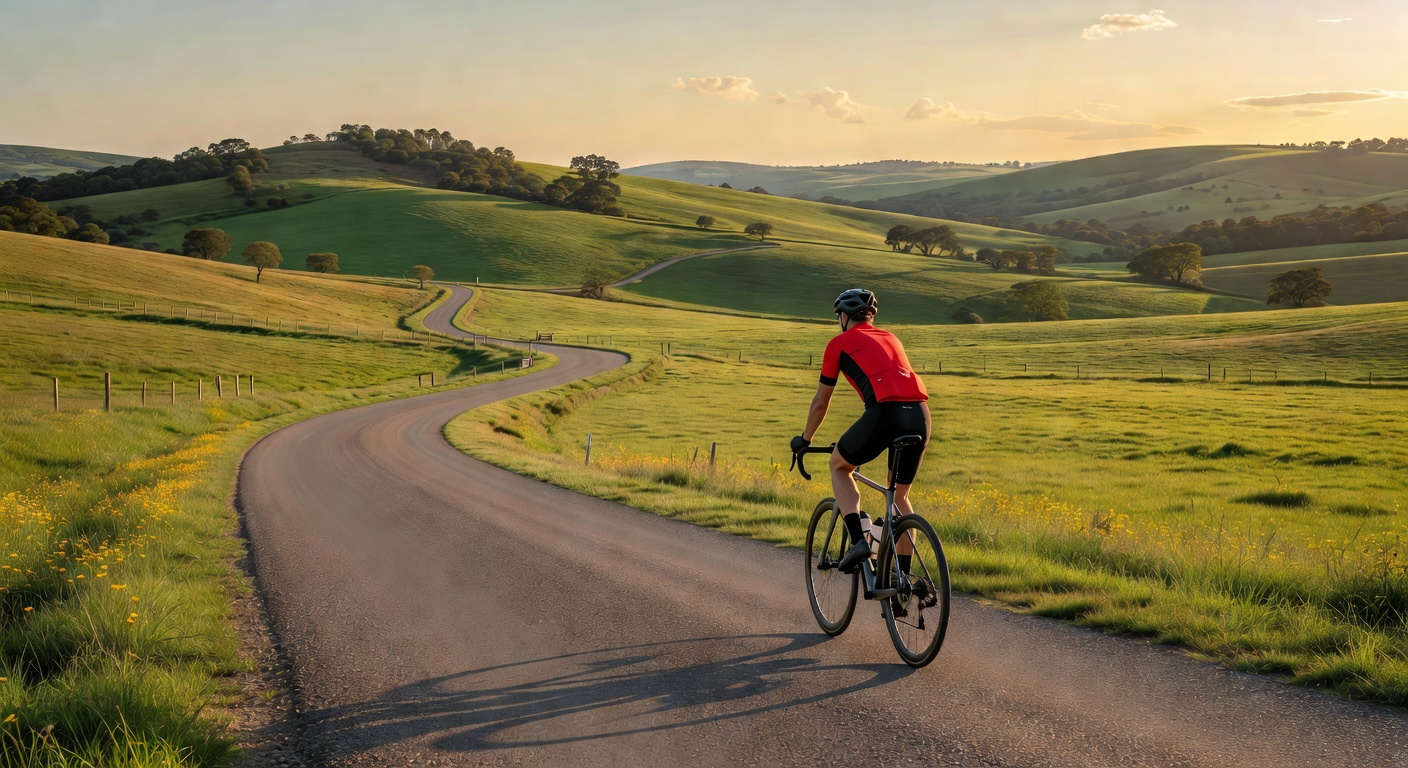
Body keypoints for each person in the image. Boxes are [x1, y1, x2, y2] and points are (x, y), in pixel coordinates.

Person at [791, 288, 930, 576]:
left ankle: (858, 541)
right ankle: (903, 579)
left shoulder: (838, 344)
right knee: (900, 496)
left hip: (884, 413)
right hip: (920, 414)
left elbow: (821, 402)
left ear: (843, 316)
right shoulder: (892, 337)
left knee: (840, 466)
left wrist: (805, 439)